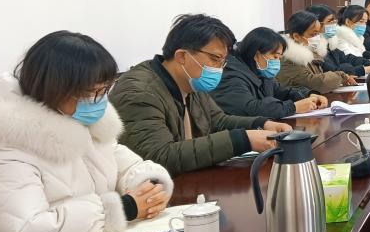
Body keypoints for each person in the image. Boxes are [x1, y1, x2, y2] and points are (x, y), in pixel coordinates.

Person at [0, 32, 173, 232]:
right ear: (53, 88)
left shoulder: (83, 122)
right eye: (91, 92)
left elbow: (124, 163)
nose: (100, 101)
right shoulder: (7, 145)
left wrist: (150, 188)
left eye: (104, 90)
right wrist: (123, 208)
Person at [109, 14, 293, 177]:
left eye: (223, 61)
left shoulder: (191, 81)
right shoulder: (139, 92)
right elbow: (160, 157)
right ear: (182, 56)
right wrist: (243, 140)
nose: (220, 69)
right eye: (215, 59)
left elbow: (217, 120)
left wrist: (262, 124)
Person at [210, 27, 327, 119]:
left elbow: (282, 91)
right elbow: (249, 109)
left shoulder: (260, 71)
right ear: (256, 54)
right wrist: (293, 107)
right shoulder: (231, 74)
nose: (277, 62)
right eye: (275, 57)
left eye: (279, 58)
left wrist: (309, 95)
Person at [279, 10, 358, 96]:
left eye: (318, 33)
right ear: (297, 36)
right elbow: (316, 83)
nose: (317, 38)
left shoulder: (310, 51)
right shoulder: (289, 57)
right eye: (313, 34)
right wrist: (342, 76)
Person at [307, 4, 370, 77]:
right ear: (316, 24)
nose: (333, 25)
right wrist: (364, 69)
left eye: (334, 22)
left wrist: (368, 63)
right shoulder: (314, 46)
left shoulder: (328, 43)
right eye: (330, 22)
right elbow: (334, 71)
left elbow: (346, 58)